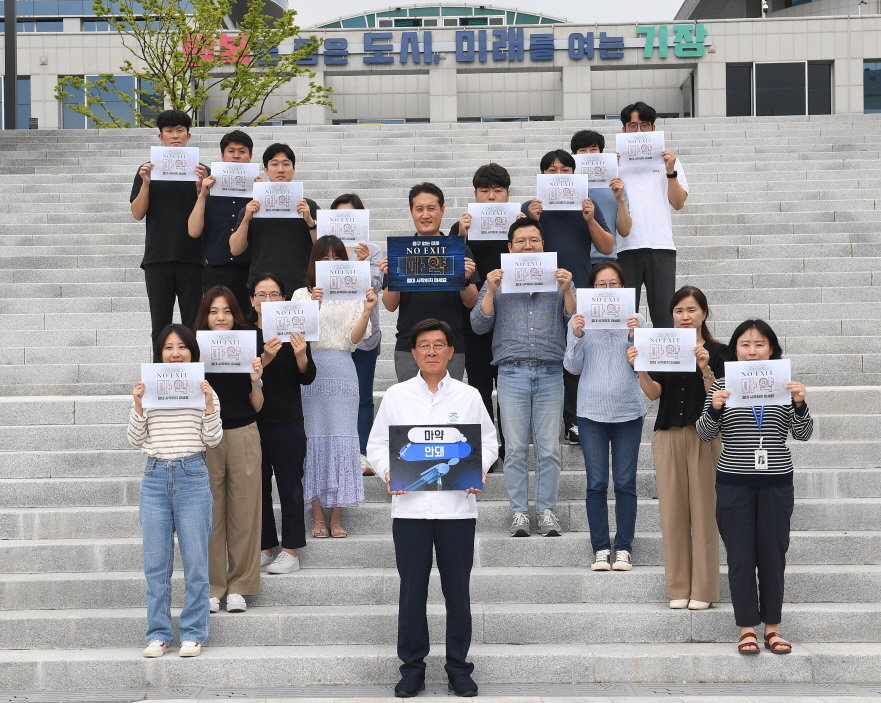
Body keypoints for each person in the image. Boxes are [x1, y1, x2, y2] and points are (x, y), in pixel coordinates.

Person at [366, 319, 498, 698]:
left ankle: (458, 668)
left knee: (458, 593)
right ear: (414, 353)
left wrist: (479, 468)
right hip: (410, 510)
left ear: (451, 351)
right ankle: (412, 669)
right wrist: (388, 471)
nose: (432, 352)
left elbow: (489, 442)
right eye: (424, 345)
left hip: (458, 510)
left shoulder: (469, 396)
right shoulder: (397, 396)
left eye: (439, 345)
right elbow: (376, 445)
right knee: (412, 593)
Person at [697, 319, 813, 656]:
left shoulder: (785, 386)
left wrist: (800, 404)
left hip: (776, 482)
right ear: (735, 350)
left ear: (771, 349)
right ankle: (746, 628)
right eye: (745, 345)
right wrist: (715, 407)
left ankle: (773, 628)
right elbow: (704, 433)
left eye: (759, 344)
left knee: (773, 556)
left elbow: (803, 434)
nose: (752, 351)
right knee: (740, 556)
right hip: (734, 483)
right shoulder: (722, 385)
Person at [471, 218, 575, 537]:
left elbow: (575, 321)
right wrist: (490, 290)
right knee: (514, 449)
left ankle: (546, 511)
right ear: (510, 247)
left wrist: (568, 290)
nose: (528, 246)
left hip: (550, 371)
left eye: (534, 240)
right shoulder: (497, 281)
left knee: (549, 449)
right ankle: (518, 512)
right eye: (521, 241)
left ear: (543, 245)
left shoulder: (559, 280)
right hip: (511, 372)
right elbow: (478, 325)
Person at [628, 286, 725, 610]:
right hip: (667, 436)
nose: (685, 316)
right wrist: (640, 367)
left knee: (705, 513)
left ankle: (704, 589)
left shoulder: (719, 351)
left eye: (692, 310)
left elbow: (720, 399)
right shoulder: (661, 347)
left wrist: (705, 368)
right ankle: (679, 587)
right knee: (672, 514)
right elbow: (653, 393)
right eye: (679, 311)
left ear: (704, 313)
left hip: (704, 437)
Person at [128, 323, 221, 658]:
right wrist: (139, 406)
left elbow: (213, 439)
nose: (175, 353)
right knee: (156, 564)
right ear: (159, 354)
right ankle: (158, 633)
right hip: (154, 476)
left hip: (191, 475)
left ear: (192, 353)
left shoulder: (205, 391)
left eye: (181, 347)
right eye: (168, 348)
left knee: (196, 562)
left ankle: (193, 633)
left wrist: (208, 405)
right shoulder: (147, 390)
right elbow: (134, 439)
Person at [523, 149, 614, 444]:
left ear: (575, 174)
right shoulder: (530, 206)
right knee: (547, 353)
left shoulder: (588, 205)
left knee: (578, 353)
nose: (559, 175)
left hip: (580, 290)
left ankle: (575, 421)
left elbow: (608, 246)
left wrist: (590, 219)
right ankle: (546, 421)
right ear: (542, 175)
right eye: (551, 170)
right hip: (538, 292)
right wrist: (531, 219)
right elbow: (516, 247)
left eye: (565, 170)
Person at [292, 236, 376, 539]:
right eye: (324, 258)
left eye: (337, 257)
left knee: (343, 440)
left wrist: (366, 310)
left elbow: (355, 338)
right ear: (314, 262)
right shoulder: (301, 294)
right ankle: (317, 514)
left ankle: (337, 514)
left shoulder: (354, 293)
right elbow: (296, 335)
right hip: (310, 369)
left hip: (343, 368)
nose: (330, 263)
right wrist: (313, 305)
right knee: (313, 440)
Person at [564, 262, 645, 572]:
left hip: (628, 411)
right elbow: (572, 367)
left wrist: (636, 336)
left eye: (614, 284)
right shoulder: (579, 320)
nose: (608, 289)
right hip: (591, 413)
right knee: (596, 483)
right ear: (592, 289)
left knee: (625, 483)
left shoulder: (637, 320)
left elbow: (646, 366)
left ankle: (624, 547)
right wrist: (577, 334)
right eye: (601, 285)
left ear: (623, 288)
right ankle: (600, 548)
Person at [193, 286, 264, 614]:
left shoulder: (247, 345)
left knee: (245, 513)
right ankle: (212, 586)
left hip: (244, 433)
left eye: (226, 311)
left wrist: (256, 379)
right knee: (209, 514)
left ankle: (240, 586)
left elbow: (258, 405)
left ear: (236, 314)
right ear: (204, 316)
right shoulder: (194, 349)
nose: (220, 317)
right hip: (206, 438)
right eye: (213, 311)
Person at [450, 163, 521, 459]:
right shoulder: (461, 228)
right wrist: (461, 235)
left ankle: (510, 447)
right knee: (479, 387)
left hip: (513, 320)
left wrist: (523, 230)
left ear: (508, 194)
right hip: (474, 319)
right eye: (484, 191)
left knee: (509, 389)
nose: (491, 197)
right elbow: (452, 269)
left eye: (498, 190)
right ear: (475, 194)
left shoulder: (520, 225)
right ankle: (485, 450)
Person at [251, 274, 317, 575]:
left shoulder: (295, 333)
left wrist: (301, 355)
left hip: (288, 420)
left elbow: (307, 377)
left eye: (274, 294)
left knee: (290, 485)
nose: (267, 300)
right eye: (261, 295)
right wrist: (264, 357)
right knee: (258, 486)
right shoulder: (244, 335)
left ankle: (291, 550)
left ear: (284, 300)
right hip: (253, 422)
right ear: (252, 301)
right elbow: (242, 378)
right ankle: (266, 546)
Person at [380, 183, 479, 382]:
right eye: (419, 209)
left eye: (431, 208)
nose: (425, 215)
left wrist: (465, 278)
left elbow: (471, 301)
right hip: (409, 346)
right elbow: (390, 305)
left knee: (450, 401)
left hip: (450, 346)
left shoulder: (458, 249)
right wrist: (392, 276)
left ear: (442, 210)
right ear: (411, 212)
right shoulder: (401, 251)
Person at [130, 110, 204, 342]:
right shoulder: (147, 170)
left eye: (180, 131)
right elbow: (137, 213)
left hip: (193, 258)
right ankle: (159, 367)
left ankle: (195, 367)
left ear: (188, 136)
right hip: (157, 258)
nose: (175, 136)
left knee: (195, 325)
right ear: (160, 136)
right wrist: (146, 184)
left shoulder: (201, 172)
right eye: (169, 131)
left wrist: (201, 188)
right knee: (159, 326)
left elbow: (209, 214)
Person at [616, 101, 689, 328]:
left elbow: (678, 202)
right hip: (625, 247)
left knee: (664, 316)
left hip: (661, 245)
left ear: (653, 128)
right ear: (624, 130)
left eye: (644, 125)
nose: (639, 131)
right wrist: (611, 166)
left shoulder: (670, 162)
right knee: (625, 318)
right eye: (633, 126)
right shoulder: (615, 163)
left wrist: (670, 171)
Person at [329, 193, 384, 476]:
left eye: (351, 217)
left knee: (362, 396)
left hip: (364, 335)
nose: (345, 225)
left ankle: (362, 451)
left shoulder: (372, 250)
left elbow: (376, 286)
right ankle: (336, 451)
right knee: (334, 396)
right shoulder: (325, 250)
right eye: (339, 218)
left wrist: (361, 262)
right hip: (332, 337)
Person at [229, 143, 319, 296]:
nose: (280, 169)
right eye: (274, 164)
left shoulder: (308, 206)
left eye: (286, 164)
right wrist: (246, 220)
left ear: (294, 169)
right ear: (265, 169)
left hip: (301, 287)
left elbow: (323, 248)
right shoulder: (253, 207)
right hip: (263, 289)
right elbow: (235, 249)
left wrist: (310, 222)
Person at [188, 130, 256, 315]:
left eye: (242, 151)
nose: (236, 156)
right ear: (222, 156)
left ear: (250, 156)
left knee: (248, 322)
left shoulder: (258, 190)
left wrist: (264, 191)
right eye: (231, 151)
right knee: (218, 322)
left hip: (249, 270)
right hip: (215, 269)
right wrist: (202, 194)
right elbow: (193, 231)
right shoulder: (209, 189)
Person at [569, 129, 632, 265]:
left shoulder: (615, 186)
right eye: (582, 151)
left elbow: (625, 231)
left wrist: (620, 199)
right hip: (574, 260)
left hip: (605, 259)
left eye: (593, 150)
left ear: (601, 153)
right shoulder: (566, 186)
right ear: (573, 155)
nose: (588, 155)